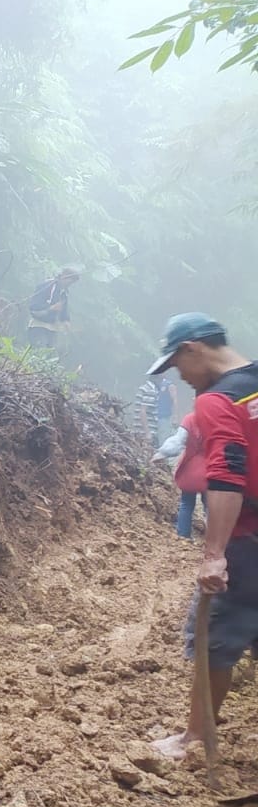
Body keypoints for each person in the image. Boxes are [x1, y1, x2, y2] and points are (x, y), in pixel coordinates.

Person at [143, 314, 258, 761]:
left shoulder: (218, 399)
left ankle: (195, 737)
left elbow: (227, 472)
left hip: (247, 541)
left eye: (178, 365)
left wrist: (214, 554)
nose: (183, 378)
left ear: (193, 348)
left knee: (214, 638)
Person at [152, 412, 207, 540]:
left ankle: (183, 535)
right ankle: (212, 539)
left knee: (186, 503)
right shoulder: (219, 419)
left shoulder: (191, 418)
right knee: (210, 507)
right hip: (211, 471)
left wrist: (162, 453)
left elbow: (177, 442)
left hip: (190, 470)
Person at [27, 267, 80, 348]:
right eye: (70, 281)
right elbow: (34, 307)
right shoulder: (46, 286)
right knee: (39, 349)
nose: (70, 285)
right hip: (39, 325)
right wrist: (51, 308)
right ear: (64, 276)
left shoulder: (64, 292)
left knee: (48, 353)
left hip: (52, 327)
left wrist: (66, 320)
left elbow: (63, 309)